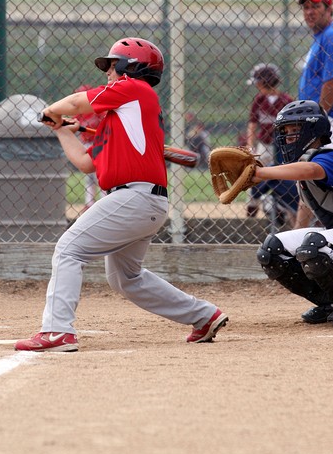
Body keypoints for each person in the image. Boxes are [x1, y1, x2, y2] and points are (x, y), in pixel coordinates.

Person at [15, 36, 228, 352]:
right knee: (126, 277)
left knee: (69, 250)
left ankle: (57, 331)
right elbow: (86, 162)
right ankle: (204, 315)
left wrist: (51, 111)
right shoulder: (117, 122)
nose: (108, 73)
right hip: (137, 202)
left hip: (135, 199)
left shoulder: (134, 89)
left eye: (113, 65)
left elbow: (75, 104)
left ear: (132, 67)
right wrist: (60, 129)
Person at [253, 99, 333, 327]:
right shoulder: (304, 161)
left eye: (294, 130)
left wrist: (262, 173)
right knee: (272, 249)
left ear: (314, 130)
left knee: (313, 246)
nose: (288, 137)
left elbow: (311, 170)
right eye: (285, 132)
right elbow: (305, 204)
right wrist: (295, 243)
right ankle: (329, 303)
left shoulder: (329, 156)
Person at [298, 0, 333, 161]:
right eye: (306, 7)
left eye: (316, 6)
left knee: (330, 172)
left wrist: (318, 120)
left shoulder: (332, 36)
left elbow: (332, 84)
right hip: (326, 122)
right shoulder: (322, 36)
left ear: (329, 9)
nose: (309, 12)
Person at [245, 64, 293, 217]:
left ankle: (278, 206)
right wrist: (250, 145)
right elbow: (252, 124)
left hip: (282, 147)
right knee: (255, 172)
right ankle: (253, 204)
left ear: (264, 82)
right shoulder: (259, 100)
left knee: (280, 175)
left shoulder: (286, 100)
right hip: (264, 144)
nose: (257, 86)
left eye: (258, 82)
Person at [73, 84, 106, 213]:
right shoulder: (79, 112)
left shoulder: (98, 109)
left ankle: (103, 201)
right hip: (87, 144)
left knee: (101, 175)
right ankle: (89, 203)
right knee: (89, 178)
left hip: (100, 143)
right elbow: (74, 122)